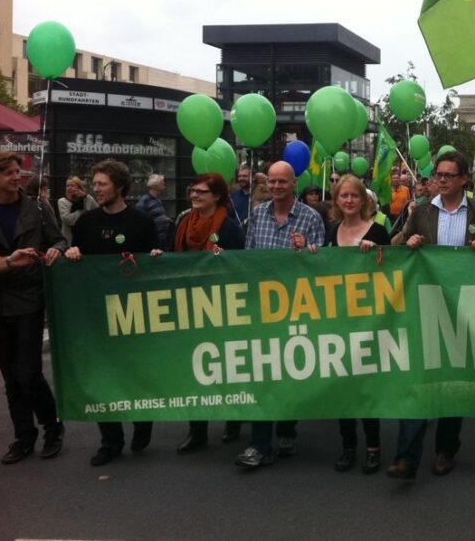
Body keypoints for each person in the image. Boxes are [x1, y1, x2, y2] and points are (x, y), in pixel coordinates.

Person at [387, 150, 475, 480]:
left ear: (465, 179)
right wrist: (408, 242)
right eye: (438, 175)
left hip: (465, 309)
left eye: (448, 176)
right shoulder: (422, 212)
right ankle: (406, 456)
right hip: (425, 306)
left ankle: (446, 449)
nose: (441, 180)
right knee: (418, 380)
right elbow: (397, 244)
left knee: (453, 383)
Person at [65, 159, 162, 466]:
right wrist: (72, 253)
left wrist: (157, 257)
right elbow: (75, 257)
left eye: (102, 184)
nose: (96, 189)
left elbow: (155, 262)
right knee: (102, 375)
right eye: (94, 184)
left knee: (134, 371)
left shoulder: (141, 222)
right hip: (97, 313)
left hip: (133, 312)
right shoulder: (85, 222)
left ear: (119, 186)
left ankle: (142, 420)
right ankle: (110, 440)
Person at [234, 160, 325, 469]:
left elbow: (325, 264)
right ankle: (259, 444)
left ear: (293, 183)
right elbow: (248, 259)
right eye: (271, 182)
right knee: (263, 373)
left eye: (282, 182)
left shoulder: (311, 217)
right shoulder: (257, 216)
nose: (275, 187)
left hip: (297, 308)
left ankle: (287, 429)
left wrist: (309, 250)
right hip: (263, 309)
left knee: (291, 370)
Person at [0, 153, 67, 465]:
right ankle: (24, 436)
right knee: (10, 375)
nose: (15, 176)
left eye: (17, 171)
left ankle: (52, 427)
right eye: (8, 172)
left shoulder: (36, 207)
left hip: (29, 298)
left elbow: (60, 240)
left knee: (29, 372)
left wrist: (54, 250)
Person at [171, 173, 246, 455]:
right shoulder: (182, 224)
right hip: (189, 304)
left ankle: (234, 419)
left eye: (202, 192)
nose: (195, 196)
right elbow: (170, 257)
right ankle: (197, 430)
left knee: (227, 365)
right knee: (194, 368)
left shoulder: (229, 227)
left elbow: (241, 267)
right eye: (193, 191)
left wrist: (223, 260)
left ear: (216, 196)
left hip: (221, 305)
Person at [325, 174, 390, 474]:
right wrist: (313, 253)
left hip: (369, 321)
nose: (349, 200)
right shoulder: (331, 230)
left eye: (354, 196)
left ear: (363, 201)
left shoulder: (377, 231)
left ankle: (373, 448)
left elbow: (393, 271)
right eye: (343, 196)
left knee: (365, 387)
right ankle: (348, 446)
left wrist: (378, 254)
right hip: (337, 320)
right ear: (337, 201)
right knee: (342, 387)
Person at [57, 176, 98, 245]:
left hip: (87, 237)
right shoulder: (62, 201)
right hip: (70, 240)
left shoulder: (87, 198)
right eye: (67, 186)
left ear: (79, 187)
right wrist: (82, 210)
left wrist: (85, 197)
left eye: (72, 185)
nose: (69, 188)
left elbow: (97, 212)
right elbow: (68, 219)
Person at [135, 173, 171, 248]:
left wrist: (165, 219)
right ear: (156, 186)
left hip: (163, 238)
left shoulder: (157, 199)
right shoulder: (145, 200)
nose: (165, 186)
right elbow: (139, 219)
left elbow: (155, 215)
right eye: (162, 183)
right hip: (154, 240)